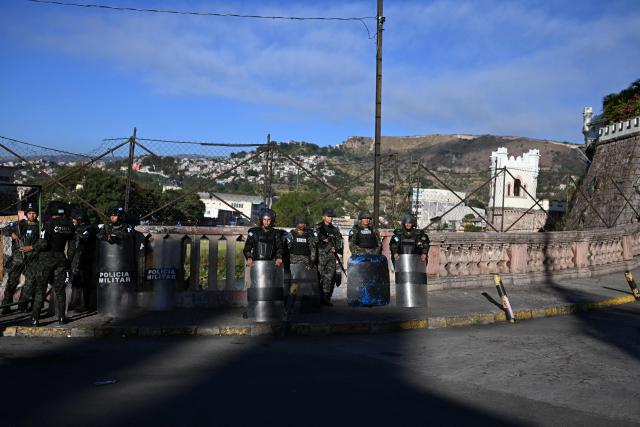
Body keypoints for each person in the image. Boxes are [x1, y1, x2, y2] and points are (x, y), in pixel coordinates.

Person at [30, 201, 75, 326]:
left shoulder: (48, 224)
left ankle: (35, 318)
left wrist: (33, 248)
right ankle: (61, 317)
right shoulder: (70, 226)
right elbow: (72, 247)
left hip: (46, 258)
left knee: (41, 288)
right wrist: (68, 260)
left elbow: (43, 243)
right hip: (61, 257)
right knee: (60, 289)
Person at [1, 201, 39, 314]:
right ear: (26, 214)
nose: (32, 215)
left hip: (32, 259)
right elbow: (4, 229)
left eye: (34, 213)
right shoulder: (19, 224)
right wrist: (12, 233)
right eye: (30, 213)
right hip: (18, 259)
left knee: (29, 283)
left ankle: (22, 306)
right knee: (11, 283)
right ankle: (6, 306)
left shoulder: (40, 226)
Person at [67, 207, 98, 312]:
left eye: (74, 218)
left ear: (80, 219)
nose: (73, 220)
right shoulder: (75, 229)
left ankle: (85, 304)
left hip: (86, 260)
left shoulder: (90, 229)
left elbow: (84, 238)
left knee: (86, 282)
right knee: (75, 282)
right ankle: (74, 302)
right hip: (76, 260)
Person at [314, 208, 343, 306]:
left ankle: (326, 298)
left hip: (331, 256)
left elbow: (339, 242)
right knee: (319, 276)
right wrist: (323, 240)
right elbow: (313, 238)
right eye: (328, 216)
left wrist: (336, 248)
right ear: (323, 217)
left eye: (331, 217)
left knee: (329, 278)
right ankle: (318, 297)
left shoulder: (334, 229)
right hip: (320, 255)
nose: (330, 218)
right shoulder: (318, 228)